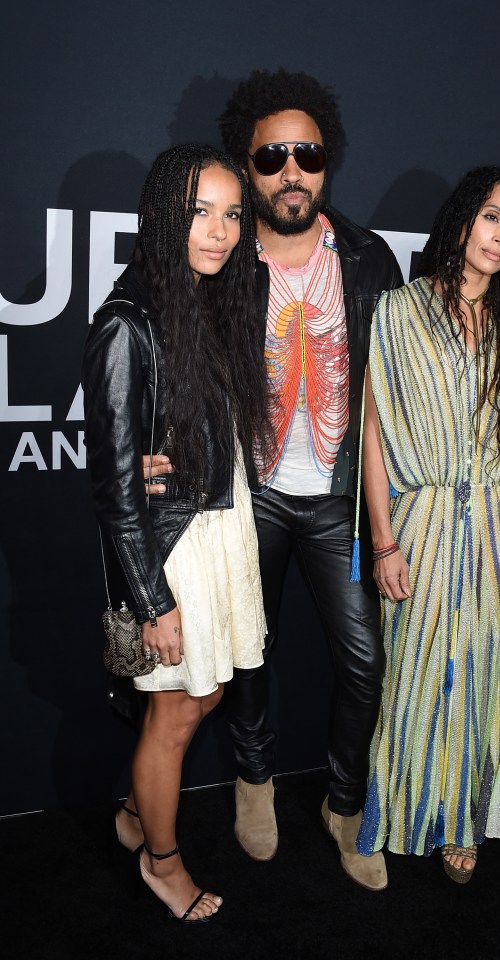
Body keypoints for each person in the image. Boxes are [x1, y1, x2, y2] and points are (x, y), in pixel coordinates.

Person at [145, 69, 403, 890]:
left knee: (365, 661)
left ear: (327, 162)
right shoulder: (222, 257)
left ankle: (343, 803)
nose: (292, 170)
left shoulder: (366, 260)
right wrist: (156, 444)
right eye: (271, 157)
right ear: (246, 165)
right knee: (247, 659)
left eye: (308, 153)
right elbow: (167, 349)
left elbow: (397, 388)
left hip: (335, 499)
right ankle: (253, 785)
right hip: (245, 495)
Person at [356, 166, 500, 883]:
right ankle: (413, 806)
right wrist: (382, 539)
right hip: (423, 522)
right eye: (492, 218)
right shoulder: (398, 310)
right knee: (417, 676)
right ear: (463, 219)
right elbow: (374, 437)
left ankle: (468, 819)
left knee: (487, 673)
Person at [83, 144, 270, 921]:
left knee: (210, 690)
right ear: (163, 214)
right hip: (175, 546)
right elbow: (116, 492)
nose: (220, 231)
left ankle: (134, 817)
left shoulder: (211, 304)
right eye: (200, 212)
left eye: (232, 214)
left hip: (223, 527)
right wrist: (153, 600)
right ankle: (162, 863)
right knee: (173, 712)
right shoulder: (127, 324)